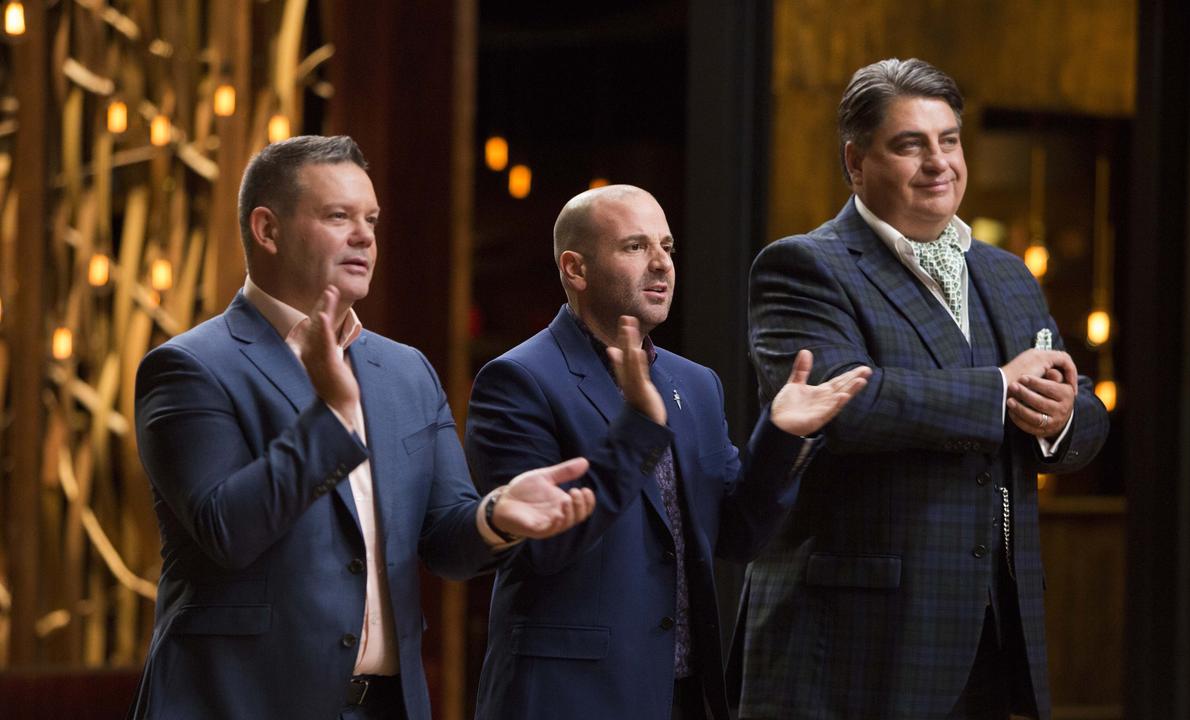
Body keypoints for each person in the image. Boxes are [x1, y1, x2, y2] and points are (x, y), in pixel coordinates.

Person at [128, 135, 597, 720]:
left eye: (371, 219)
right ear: (267, 230)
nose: (365, 236)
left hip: (385, 706)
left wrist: (495, 515)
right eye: (338, 216)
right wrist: (333, 416)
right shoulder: (189, 367)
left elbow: (445, 542)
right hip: (237, 703)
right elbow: (227, 530)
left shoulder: (405, 370)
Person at [735, 59, 1110, 719]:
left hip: (996, 630)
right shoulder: (803, 266)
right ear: (855, 162)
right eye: (910, 144)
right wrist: (999, 392)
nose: (939, 161)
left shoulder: (1010, 275)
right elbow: (846, 402)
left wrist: (1058, 420)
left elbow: (1084, 406)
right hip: (854, 640)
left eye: (950, 140)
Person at [465, 185, 870, 720]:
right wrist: (638, 430)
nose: (661, 265)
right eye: (635, 247)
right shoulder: (518, 380)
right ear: (575, 269)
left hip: (682, 694)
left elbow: (737, 533)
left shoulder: (694, 383)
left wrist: (781, 436)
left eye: (667, 246)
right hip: (569, 696)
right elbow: (542, 548)